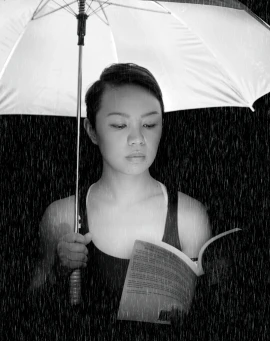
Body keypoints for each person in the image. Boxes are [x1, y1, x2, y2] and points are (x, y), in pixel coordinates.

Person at [27, 63, 213, 320]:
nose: (137, 139)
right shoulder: (63, 215)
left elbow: (207, 317)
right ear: (91, 130)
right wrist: (59, 271)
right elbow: (31, 308)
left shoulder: (189, 217)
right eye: (118, 125)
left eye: (149, 124)